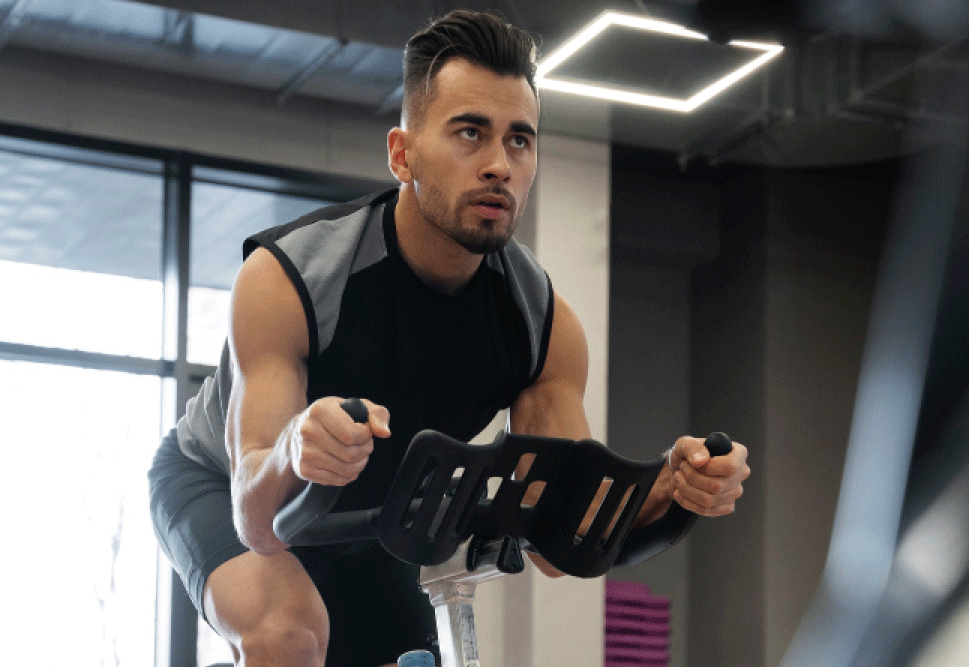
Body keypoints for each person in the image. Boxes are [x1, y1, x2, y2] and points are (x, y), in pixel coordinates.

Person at [148, 9, 751, 667]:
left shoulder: (541, 326)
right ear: (402, 154)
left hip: (369, 522)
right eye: (471, 133)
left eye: (519, 141)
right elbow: (256, 521)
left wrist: (668, 488)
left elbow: (556, 542)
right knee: (290, 633)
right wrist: (296, 447)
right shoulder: (287, 278)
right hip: (221, 483)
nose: (499, 165)